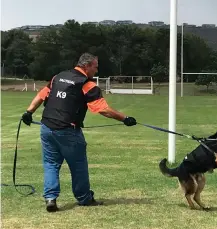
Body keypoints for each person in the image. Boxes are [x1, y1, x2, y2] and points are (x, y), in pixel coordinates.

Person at [21, 53, 137, 212]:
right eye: (95, 67)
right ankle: (84, 198)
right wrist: (125, 118)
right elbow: (102, 109)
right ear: (87, 66)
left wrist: (29, 112)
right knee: (78, 166)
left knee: (51, 164)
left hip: (46, 128)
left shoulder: (58, 77)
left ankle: (50, 198)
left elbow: (41, 95)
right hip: (68, 131)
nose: (96, 70)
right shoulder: (87, 84)